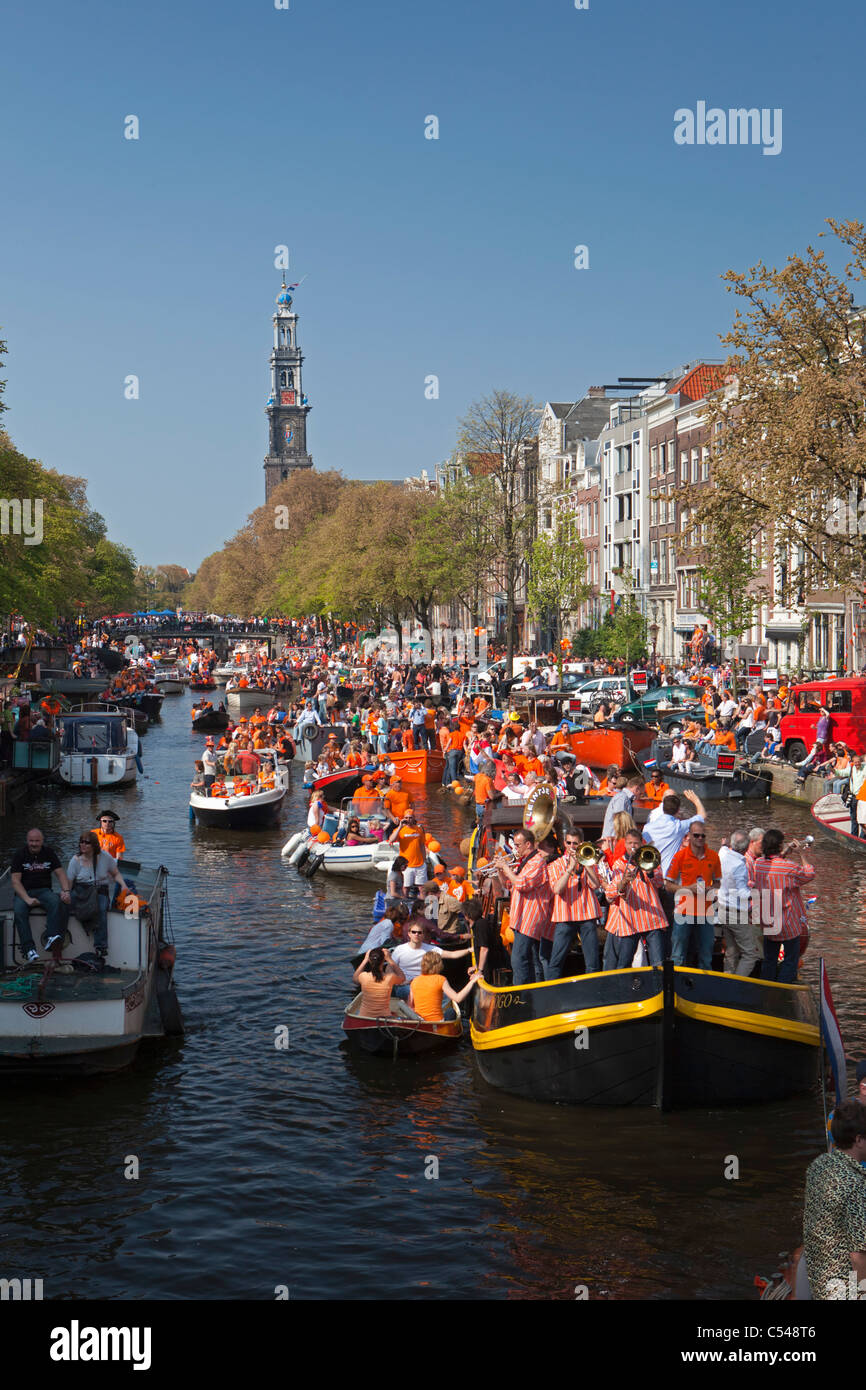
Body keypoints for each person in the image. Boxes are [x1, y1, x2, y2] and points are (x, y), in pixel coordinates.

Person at [803, 1100, 866, 1300]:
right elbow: (858, 1256)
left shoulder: (818, 1166)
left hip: (820, 1282)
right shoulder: (856, 1184)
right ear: (859, 1140)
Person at [754, 828, 815, 983]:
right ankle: (782, 990)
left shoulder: (758, 864)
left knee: (769, 960)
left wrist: (785, 851)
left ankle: (766, 989)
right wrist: (802, 854)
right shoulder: (788, 867)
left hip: (768, 922)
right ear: (780, 845)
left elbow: (773, 863)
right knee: (790, 961)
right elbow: (809, 874)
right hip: (787, 923)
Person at [496, 829, 555, 985]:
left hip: (530, 918)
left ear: (528, 844)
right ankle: (534, 990)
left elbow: (522, 884)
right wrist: (501, 871)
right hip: (519, 917)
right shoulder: (525, 861)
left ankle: (521, 993)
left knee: (518, 959)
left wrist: (506, 868)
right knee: (532, 960)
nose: (515, 849)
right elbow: (509, 884)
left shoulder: (537, 862)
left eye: (518, 845)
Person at [603, 828, 667, 968]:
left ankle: (659, 988)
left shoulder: (650, 857)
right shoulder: (619, 864)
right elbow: (611, 893)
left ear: (641, 844)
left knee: (658, 963)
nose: (633, 846)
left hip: (652, 919)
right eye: (630, 843)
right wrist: (625, 881)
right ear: (625, 844)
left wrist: (650, 872)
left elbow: (660, 883)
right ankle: (623, 989)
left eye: (636, 843)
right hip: (630, 920)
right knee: (624, 964)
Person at [544, 828, 603, 977]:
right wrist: (570, 868)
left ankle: (592, 994)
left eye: (575, 843)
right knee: (556, 961)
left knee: (593, 962)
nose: (571, 846)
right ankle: (552, 994)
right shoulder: (555, 864)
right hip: (565, 916)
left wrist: (587, 864)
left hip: (587, 915)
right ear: (564, 843)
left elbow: (596, 885)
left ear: (581, 844)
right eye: (568, 843)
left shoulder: (589, 860)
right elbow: (557, 889)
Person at [10, 828, 72, 961]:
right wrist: (27, 899)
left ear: (42, 841)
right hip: (24, 892)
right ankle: (29, 950)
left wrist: (66, 891)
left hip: (43, 890)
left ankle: (51, 936)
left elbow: (60, 873)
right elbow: (15, 881)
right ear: (27, 841)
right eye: (31, 841)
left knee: (56, 901)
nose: (34, 844)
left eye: (37, 841)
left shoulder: (49, 853)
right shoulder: (19, 855)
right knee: (19, 910)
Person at [666, 823, 722, 970]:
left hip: (705, 911)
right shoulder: (680, 857)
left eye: (703, 835)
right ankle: (675, 986)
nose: (700, 838)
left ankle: (704, 987)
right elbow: (668, 885)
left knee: (706, 953)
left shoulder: (714, 856)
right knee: (678, 954)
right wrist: (687, 889)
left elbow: (718, 883)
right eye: (696, 835)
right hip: (683, 911)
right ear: (689, 836)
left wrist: (711, 889)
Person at [67, 831, 130, 960]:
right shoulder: (75, 860)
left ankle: (101, 946)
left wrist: (123, 885)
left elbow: (115, 873)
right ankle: (59, 939)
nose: (83, 845)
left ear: (94, 845)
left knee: (100, 908)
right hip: (81, 889)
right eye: (81, 842)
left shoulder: (105, 857)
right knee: (63, 905)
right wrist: (66, 893)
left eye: (87, 843)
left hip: (99, 889)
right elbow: (69, 882)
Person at [717, 829, 761, 977]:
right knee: (750, 954)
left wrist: (724, 844)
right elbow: (743, 894)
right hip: (736, 914)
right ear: (746, 847)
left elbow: (722, 848)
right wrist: (757, 892)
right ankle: (737, 983)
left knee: (731, 951)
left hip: (723, 909)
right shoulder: (739, 866)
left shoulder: (723, 854)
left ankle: (727, 980)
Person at [389, 922, 471, 998]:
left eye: (419, 932)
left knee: (446, 997)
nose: (416, 934)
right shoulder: (400, 949)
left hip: (425, 985)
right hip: (404, 986)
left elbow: (452, 954)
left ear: (423, 935)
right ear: (409, 934)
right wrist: (397, 981)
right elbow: (390, 967)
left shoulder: (430, 948)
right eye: (414, 932)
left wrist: (470, 950)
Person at [352, 947, 420, 1019]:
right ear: (383, 961)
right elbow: (402, 978)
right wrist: (390, 959)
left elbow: (355, 979)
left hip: (364, 1016)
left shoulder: (364, 976)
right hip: (385, 1016)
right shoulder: (390, 978)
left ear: (370, 960)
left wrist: (365, 960)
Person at [409, 952, 479, 1021]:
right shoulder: (440, 979)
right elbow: (458, 998)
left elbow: (411, 1005)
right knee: (451, 1011)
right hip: (437, 1021)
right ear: (439, 965)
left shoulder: (414, 981)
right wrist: (472, 981)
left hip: (420, 1022)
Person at [464, 897, 510, 979]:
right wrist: (476, 966)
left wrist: (479, 971)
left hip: (491, 970)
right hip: (489, 966)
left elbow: (484, 949)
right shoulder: (480, 923)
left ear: (467, 915)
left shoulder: (480, 926)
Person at [387, 810, 429, 894]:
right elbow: (391, 839)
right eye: (406, 818)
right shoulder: (399, 830)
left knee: (421, 887)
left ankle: (423, 903)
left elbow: (422, 845)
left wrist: (424, 860)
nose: (408, 819)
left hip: (419, 864)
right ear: (403, 818)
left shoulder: (419, 829)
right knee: (406, 887)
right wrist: (400, 827)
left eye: (410, 817)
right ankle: (404, 903)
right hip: (406, 865)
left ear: (413, 818)